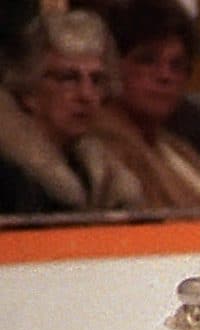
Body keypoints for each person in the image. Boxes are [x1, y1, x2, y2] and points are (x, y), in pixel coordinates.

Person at [83, 0, 200, 210]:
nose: (165, 75)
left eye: (177, 65)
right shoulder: (104, 151)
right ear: (111, 66)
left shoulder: (174, 147)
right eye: (147, 60)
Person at [0, 8, 142, 213]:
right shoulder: (8, 177)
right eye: (68, 78)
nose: (86, 95)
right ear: (28, 91)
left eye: (96, 80)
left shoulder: (104, 177)